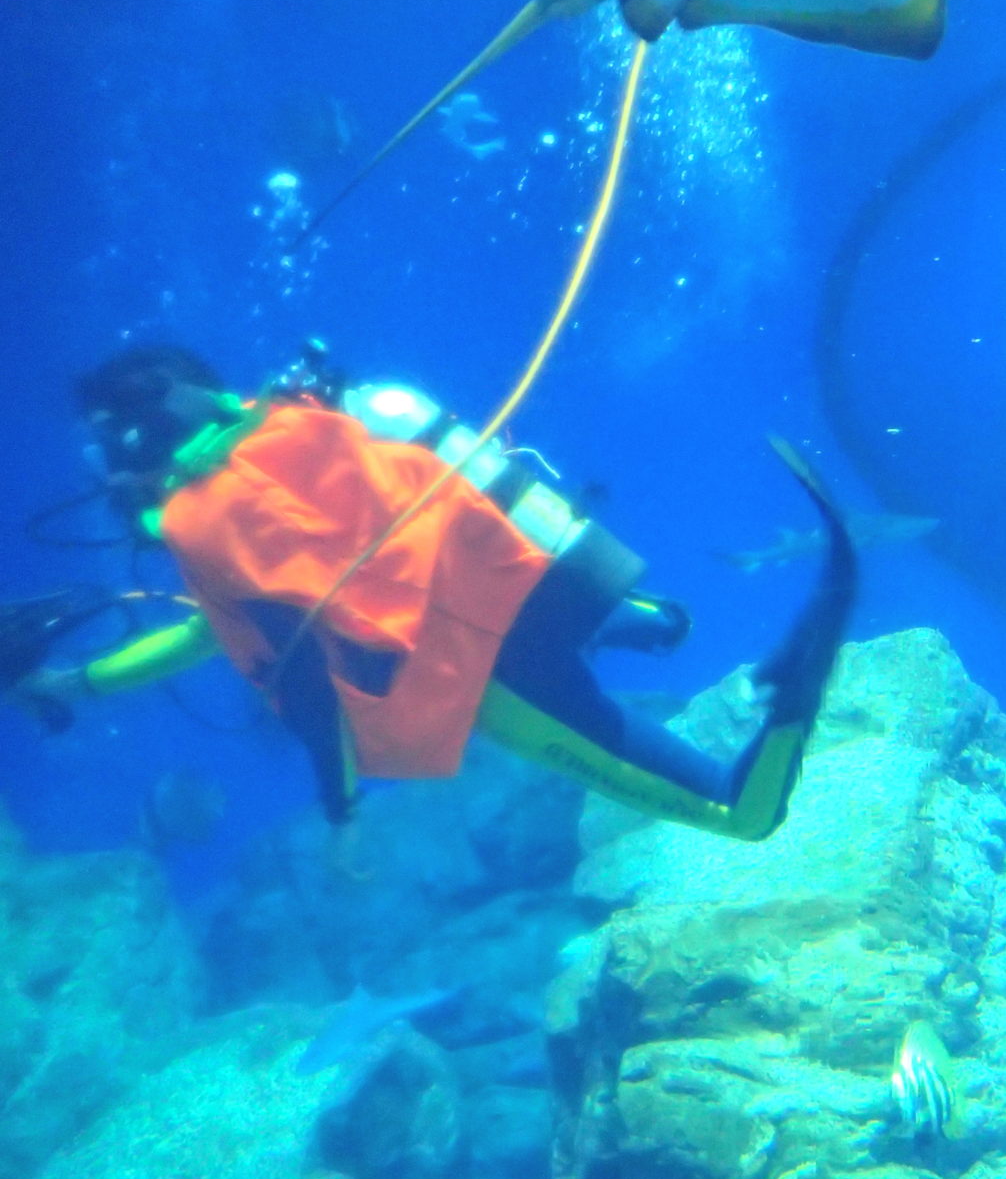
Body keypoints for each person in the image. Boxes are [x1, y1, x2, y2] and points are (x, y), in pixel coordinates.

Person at [7, 344, 854, 873]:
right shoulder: (292, 420)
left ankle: (792, 693)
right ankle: (643, 621)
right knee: (583, 647)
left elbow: (300, 671)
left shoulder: (202, 523)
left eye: (102, 448)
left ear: (133, 435)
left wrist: (342, 814)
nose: (103, 476)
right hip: (528, 579)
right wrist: (80, 683)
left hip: (477, 670)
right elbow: (214, 627)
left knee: (736, 817)